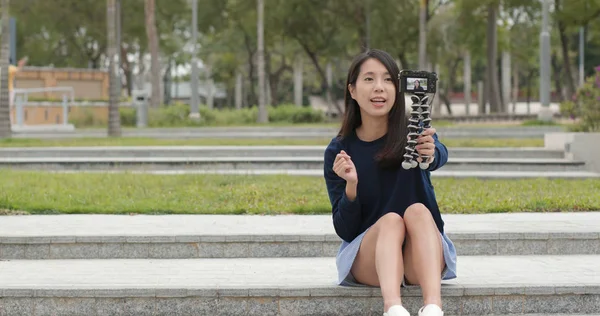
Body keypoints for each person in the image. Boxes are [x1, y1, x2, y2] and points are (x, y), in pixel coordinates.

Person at [323, 49, 457, 316]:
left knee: (418, 211)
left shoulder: (415, 133)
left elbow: (439, 152)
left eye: (387, 80)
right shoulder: (340, 151)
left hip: (420, 254)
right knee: (391, 221)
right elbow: (345, 230)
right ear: (352, 90)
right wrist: (350, 186)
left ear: (397, 89)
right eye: (369, 79)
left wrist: (430, 154)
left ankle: (433, 307)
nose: (379, 88)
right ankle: (392, 308)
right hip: (370, 258)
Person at [9, 57, 28, 124]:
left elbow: (17, 70)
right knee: (9, 108)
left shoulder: (10, 68)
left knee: (9, 108)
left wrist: (21, 64)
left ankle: (10, 123)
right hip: (8, 91)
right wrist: (20, 65)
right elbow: (18, 70)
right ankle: (10, 123)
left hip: (9, 90)